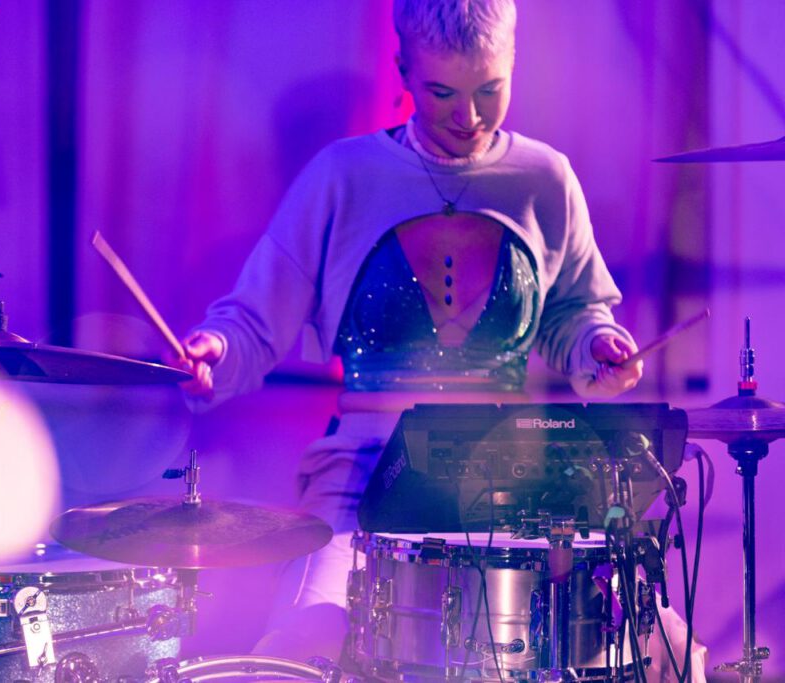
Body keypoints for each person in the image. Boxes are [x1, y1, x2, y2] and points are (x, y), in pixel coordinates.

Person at [173, 1, 703, 680]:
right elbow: (252, 322)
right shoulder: (342, 176)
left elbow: (575, 313)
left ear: (513, 64)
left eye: (490, 90)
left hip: (515, 477)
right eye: (443, 92)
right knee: (304, 639)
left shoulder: (544, 178)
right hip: (364, 470)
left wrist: (597, 344)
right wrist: (216, 352)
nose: (469, 117)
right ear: (402, 68)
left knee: (663, 643)